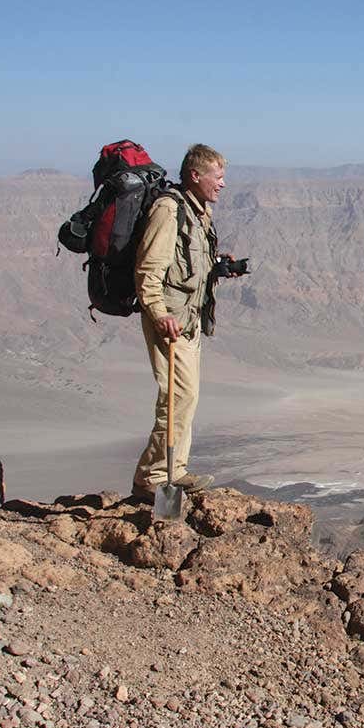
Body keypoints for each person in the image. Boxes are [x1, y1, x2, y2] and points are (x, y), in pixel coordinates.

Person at [130, 143, 238, 502]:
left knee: (186, 398)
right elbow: (148, 270)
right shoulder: (168, 210)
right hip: (170, 322)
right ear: (195, 175)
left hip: (189, 321)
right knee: (177, 396)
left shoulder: (198, 212)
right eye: (218, 176)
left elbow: (188, 265)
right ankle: (156, 478)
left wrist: (219, 266)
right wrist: (159, 315)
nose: (222, 184)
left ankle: (171, 470)